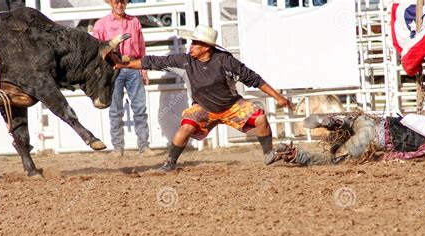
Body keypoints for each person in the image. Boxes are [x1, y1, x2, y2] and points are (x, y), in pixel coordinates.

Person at [112, 24, 294, 172]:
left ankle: (269, 154)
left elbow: (253, 78)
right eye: (192, 43)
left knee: (260, 118)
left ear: (206, 47)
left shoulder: (226, 61)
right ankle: (170, 163)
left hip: (232, 106)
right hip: (203, 107)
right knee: (185, 127)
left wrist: (278, 97)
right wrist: (123, 64)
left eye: (195, 44)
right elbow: (152, 62)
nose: (191, 47)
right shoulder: (185, 61)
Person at [93, 0, 154, 157]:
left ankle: (144, 146)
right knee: (115, 110)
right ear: (111, 3)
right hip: (113, 69)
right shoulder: (101, 24)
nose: (120, 5)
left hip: (133, 65)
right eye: (117, 1)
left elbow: (141, 47)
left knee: (139, 108)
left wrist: (144, 69)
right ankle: (118, 148)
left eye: (123, 2)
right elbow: (97, 50)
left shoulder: (134, 22)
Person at [273, 113, 425, 166]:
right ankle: (297, 155)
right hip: (376, 137)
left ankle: (336, 122)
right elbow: (402, 155)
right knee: (337, 161)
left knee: (351, 123)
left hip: (378, 122)